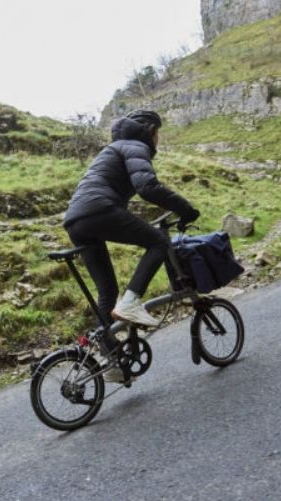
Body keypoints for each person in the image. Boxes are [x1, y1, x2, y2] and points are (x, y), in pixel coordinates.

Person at [63, 109, 200, 337]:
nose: (158, 139)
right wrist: (185, 209)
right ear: (151, 131)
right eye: (158, 133)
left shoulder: (115, 148)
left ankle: (111, 362)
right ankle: (130, 303)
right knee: (159, 243)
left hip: (76, 221)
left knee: (107, 291)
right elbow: (147, 186)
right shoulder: (136, 146)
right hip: (99, 209)